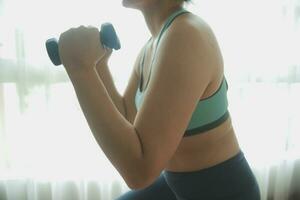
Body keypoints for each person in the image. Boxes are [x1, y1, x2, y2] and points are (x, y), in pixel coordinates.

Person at [57, 0, 261, 199]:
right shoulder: (153, 45)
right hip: (177, 185)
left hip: (222, 190)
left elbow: (139, 171)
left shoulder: (186, 35)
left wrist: (80, 68)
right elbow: (127, 118)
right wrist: (98, 65)